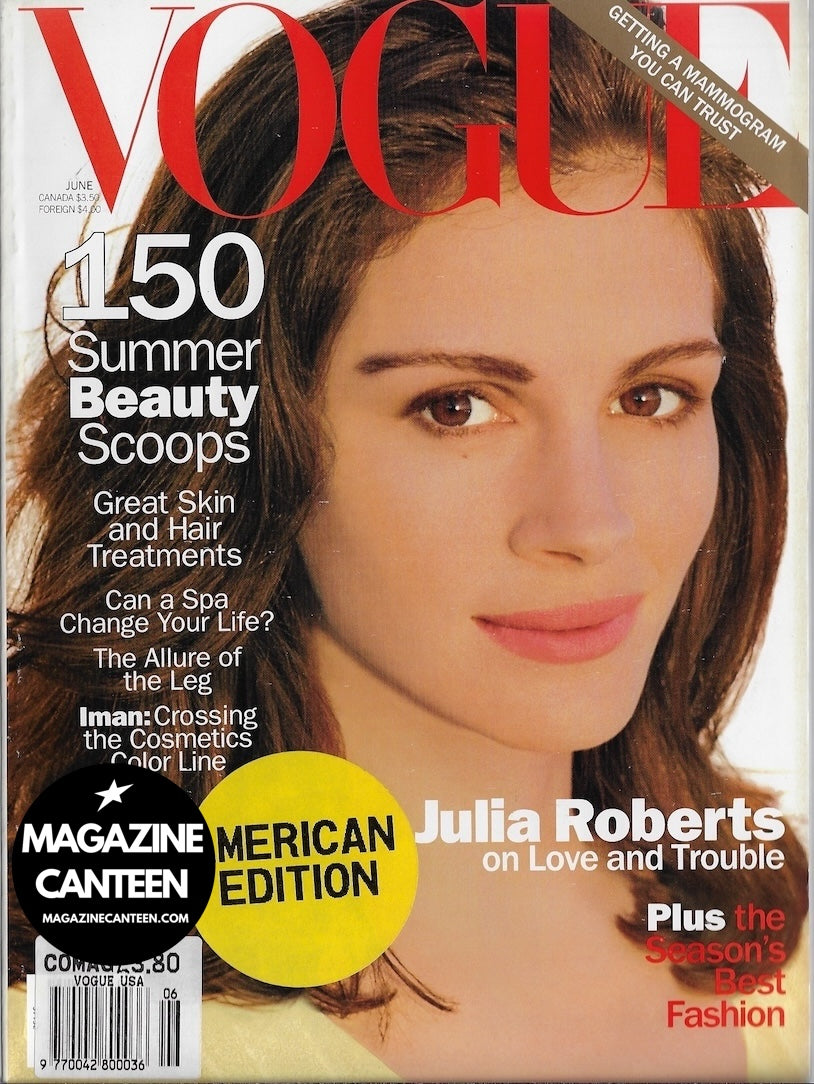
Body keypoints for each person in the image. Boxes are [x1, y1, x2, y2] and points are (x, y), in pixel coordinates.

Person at [6, 1, 808, 1080]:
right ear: (240, 442)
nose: (589, 524)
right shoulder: (76, 1037)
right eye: (456, 407)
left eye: (652, 395)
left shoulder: (785, 967)